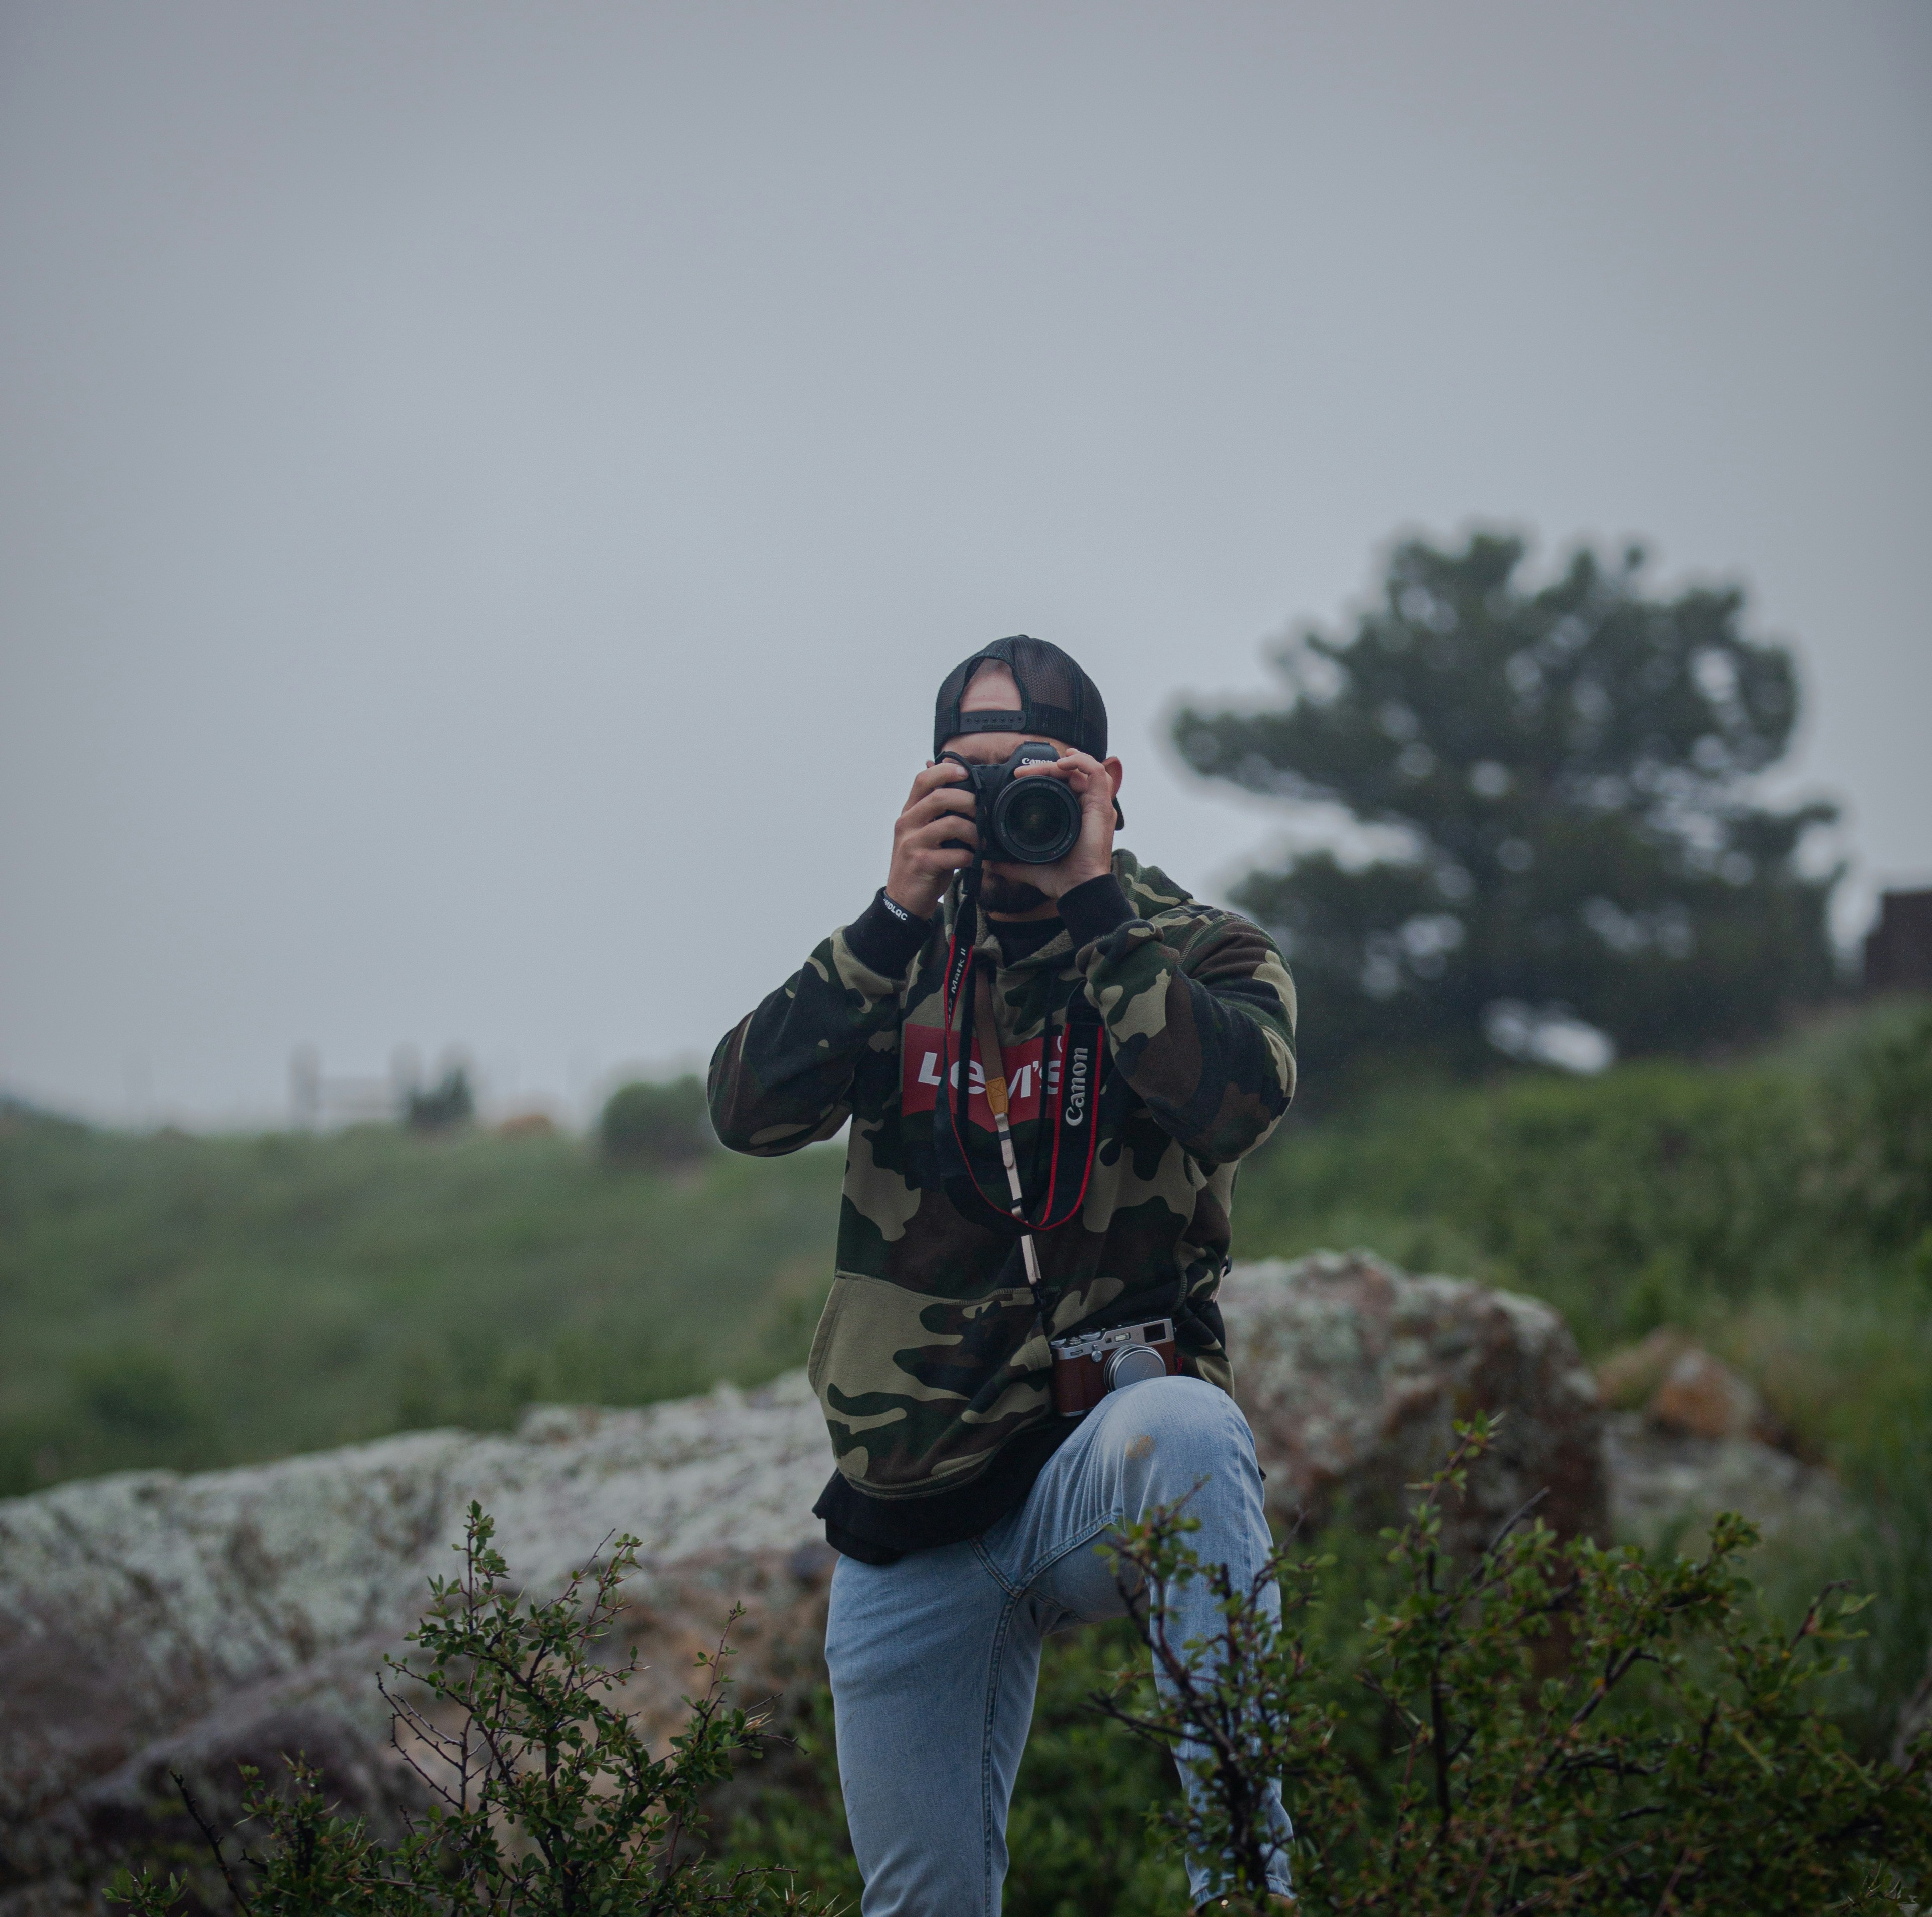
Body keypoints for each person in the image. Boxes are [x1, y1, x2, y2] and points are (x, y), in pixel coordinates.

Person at [709, 636, 1299, 1914]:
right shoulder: (895, 960)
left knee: (1193, 1429)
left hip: (1100, 1462)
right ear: (930, 792)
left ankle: (1245, 1889)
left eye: (1038, 779)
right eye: (970, 782)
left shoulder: (1199, 947)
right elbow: (745, 1110)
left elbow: (1238, 1099)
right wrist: (887, 918)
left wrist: (1099, 913)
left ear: (1108, 784)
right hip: (908, 1501)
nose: (1006, 811)